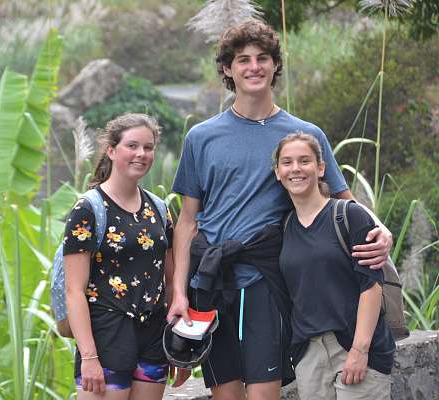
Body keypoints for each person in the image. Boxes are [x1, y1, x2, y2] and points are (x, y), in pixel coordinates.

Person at [167, 19, 393, 400]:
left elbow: (342, 198)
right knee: (225, 394)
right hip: (212, 283)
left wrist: (380, 228)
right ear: (227, 69)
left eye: (262, 58)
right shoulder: (200, 137)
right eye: (243, 60)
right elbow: (187, 222)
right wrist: (179, 294)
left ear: (274, 66)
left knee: (263, 393)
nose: (254, 67)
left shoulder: (303, 134)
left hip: (269, 281)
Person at [64, 113, 189, 399]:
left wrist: (177, 345)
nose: (141, 154)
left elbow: (169, 282)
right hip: (107, 333)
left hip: (153, 333)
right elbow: (74, 291)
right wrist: (89, 357)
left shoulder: (158, 208)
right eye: (132, 146)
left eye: (148, 147)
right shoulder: (88, 209)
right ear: (111, 150)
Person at [273, 132, 395, 399]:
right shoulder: (283, 228)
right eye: (287, 162)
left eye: (304, 161)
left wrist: (359, 350)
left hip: (354, 346)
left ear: (320, 168)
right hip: (309, 357)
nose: (295, 169)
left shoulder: (349, 216)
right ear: (277, 172)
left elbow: (371, 286)